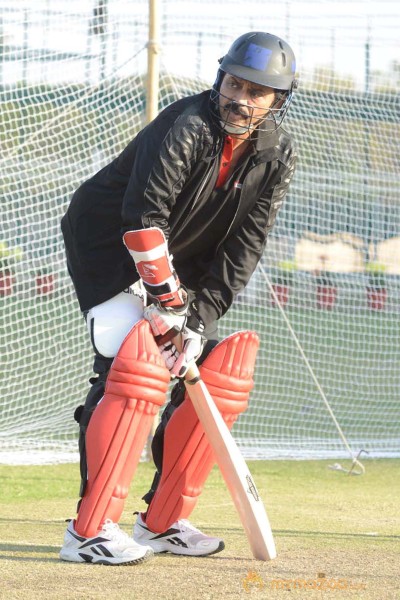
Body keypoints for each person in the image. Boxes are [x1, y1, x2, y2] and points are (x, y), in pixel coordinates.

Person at [59, 31, 298, 565]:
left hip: (179, 259)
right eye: (235, 84)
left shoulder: (277, 152)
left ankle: (161, 521)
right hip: (110, 248)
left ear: (278, 100)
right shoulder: (187, 124)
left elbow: (246, 245)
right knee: (132, 372)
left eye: (258, 91)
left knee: (211, 371)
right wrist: (163, 299)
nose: (242, 98)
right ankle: (88, 530)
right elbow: (144, 217)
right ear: (220, 80)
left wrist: (197, 315)